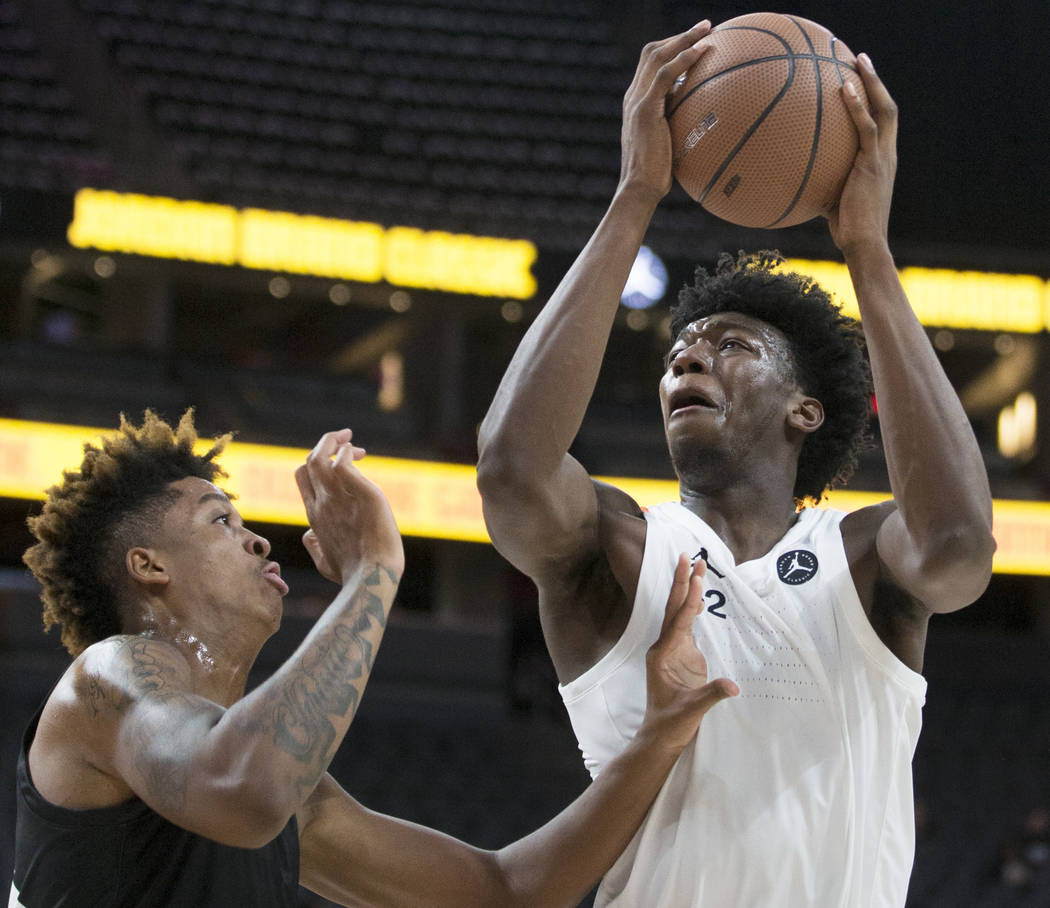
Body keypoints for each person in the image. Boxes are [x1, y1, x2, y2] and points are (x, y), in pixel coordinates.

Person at [476, 19, 995, 908]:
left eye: (730, 344)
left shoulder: (862, 559)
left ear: (807, 409)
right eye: (678, 350)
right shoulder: (624, 550)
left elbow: (957, 541)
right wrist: (634, 194)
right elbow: (515, 473)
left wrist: (868, 251)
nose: (687, 357)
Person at [10, 409, 738, 908]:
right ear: (148, 566)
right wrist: (375, 570)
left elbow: (505, 893)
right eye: (221, 522)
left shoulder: (281, 784)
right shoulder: (103, 681)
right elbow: (241, 789)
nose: (260, 541)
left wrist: (659, 735)